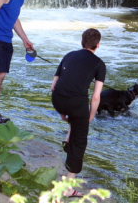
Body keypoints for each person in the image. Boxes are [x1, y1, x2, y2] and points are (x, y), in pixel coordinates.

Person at [51, 28, 105, 198]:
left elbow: (53, 86)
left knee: (74, 110)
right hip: (75, 104)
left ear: (82, 42)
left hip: (58, 99)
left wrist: (60, 110)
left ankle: (68, 135)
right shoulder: (99, 63)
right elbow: (96, 97)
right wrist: (90, 116)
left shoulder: (68, 55)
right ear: (98, 45)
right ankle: (68, 189)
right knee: (80, 142)